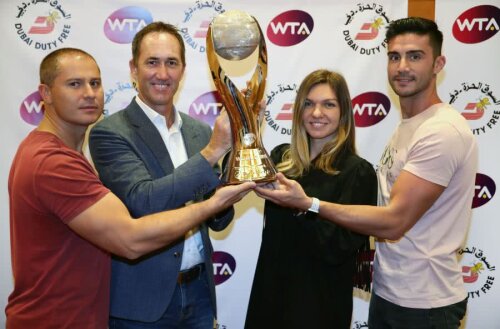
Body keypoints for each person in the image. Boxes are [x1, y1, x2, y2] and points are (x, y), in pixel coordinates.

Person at [6, 47, 254, 329]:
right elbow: (131, 235)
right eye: (74, 84)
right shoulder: (53, 161)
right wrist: (212, 197)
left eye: (95, 83)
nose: (89, 93)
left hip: (89, 313)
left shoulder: (62, 154)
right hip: (57, 319)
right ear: (46, 93)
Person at [255, 17, 477, 329]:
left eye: (415, 56)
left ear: (438, 63)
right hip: (390, 293)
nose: (402, 66)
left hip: (423, 304)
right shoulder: (409, 127)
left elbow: (394, 221)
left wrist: (309, 204)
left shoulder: (441, 131)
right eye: (394, 56)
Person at [88, 22, 234, 329]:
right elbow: (144, 201)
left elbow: (219, 219)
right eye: (152, 62)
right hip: (142, 304)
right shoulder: (109, 132)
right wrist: (212, 152)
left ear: (182, 69)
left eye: (172, 63)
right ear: (133, 68)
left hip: (199, 295)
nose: (163, 74)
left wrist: (237, 162)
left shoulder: (198, 131)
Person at [245, 69, 377, 329]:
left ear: (343, 113)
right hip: (269, 300)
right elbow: (238, 175)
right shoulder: (282, 158)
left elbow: (338, 248)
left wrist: (302, 207)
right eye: (309, 104)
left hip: (318, 307)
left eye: (328, 104)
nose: (317, 113)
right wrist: (247, 127)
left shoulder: (356, 172)